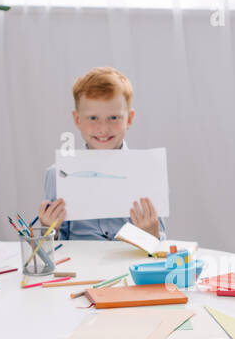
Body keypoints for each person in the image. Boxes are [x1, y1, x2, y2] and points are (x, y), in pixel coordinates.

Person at [37, 66, 166, 240]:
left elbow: (159, 246)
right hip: (79, 266)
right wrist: (49, 230)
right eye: (93, 118)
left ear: (129, 119)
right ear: (77, 120)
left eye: (114, 118)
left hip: (129, 265)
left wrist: (151, 234)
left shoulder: (146, 172)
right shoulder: (58, 175)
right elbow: (51, 251)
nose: (103, 129)